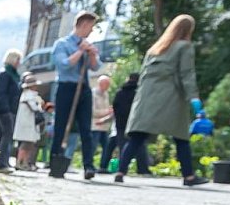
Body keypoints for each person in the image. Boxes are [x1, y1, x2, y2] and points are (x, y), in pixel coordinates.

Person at [115, 14, 208, 186]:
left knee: (138, 135)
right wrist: (194, 97)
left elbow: (142, 77)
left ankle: (121, 171)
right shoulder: (184, 46)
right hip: (171, 97)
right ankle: (188, 176)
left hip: (147, 97)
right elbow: (186, 74)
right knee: (181, 136)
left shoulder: (154, 50)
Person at [48, 11, 101, 179]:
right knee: (61, 126)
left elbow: (95, 67)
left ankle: (88, 166)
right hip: (66, 88)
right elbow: (64, 65)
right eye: (91, 27)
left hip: (83, 88)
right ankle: (55, 163)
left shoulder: (88, 44)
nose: (91, 31)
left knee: (86, 128)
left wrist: (91, 54)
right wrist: (80, 51)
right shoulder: (62, 44)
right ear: (83, 24)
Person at [0, 49, 23, 173]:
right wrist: (6, 109)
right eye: (18, 59)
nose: (19, 63)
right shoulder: (5, 74)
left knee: (2, 135)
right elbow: (1, 93)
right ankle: (2, 163)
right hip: (4, 109)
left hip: (9, 109)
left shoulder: (12, 75)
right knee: (6, 135)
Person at [13, 73, 45, 171]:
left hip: (30, 122)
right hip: (27, 122)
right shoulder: (28, 95)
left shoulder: (31, 95)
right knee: (26, 143)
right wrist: (40, 106)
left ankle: (25, 162)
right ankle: (20, 162)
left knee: (29, 144)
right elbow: (34, 108)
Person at [89, 75, 114, 172]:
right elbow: (92, 111)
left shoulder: (106, 94)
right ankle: (89, 164)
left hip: (104, 126)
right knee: (93, 147)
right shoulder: (93, 94)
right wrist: (107, 111)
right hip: (95, 125)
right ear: (100, 84)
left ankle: (103, 167)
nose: (108, 86)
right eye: (106, 84)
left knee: (107, 147)